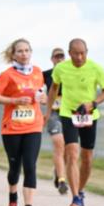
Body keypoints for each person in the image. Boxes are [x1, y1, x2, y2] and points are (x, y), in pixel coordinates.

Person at [47, 39, 104, 206]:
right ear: (70, 53)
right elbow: (53, 89)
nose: (79, 56)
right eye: (76, 53)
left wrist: (94, 103)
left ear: (87, 52)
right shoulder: (61, 69)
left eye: (83, 53)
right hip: (68, 114)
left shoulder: (95, 68)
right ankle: (75, 197)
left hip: (89, 116)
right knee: (71, 152)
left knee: (87, 157)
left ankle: (81, 190)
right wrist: (47, 110)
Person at [0, 38, 45, 206]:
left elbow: (43, 96)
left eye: (27, 50)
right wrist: (14, 101)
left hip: (33, 126)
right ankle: (13, 196)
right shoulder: (7, 74)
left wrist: (41, 97)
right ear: (13, 54)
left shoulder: (37, 72)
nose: (24, 54)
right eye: (20, 51)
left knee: (30, 165)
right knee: (15, 168)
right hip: (11, 128)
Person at [43, 47, 69, 194]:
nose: (59, 59)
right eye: (56, 57)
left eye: (61, 56)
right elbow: (37, 90)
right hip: (53, 113)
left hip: (68, 114)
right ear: (52, 59)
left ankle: (58, 172)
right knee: (58, 144)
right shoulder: (46, 75)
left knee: (68, 148)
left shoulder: (70, 74)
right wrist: (43, 99)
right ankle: (62, 181)